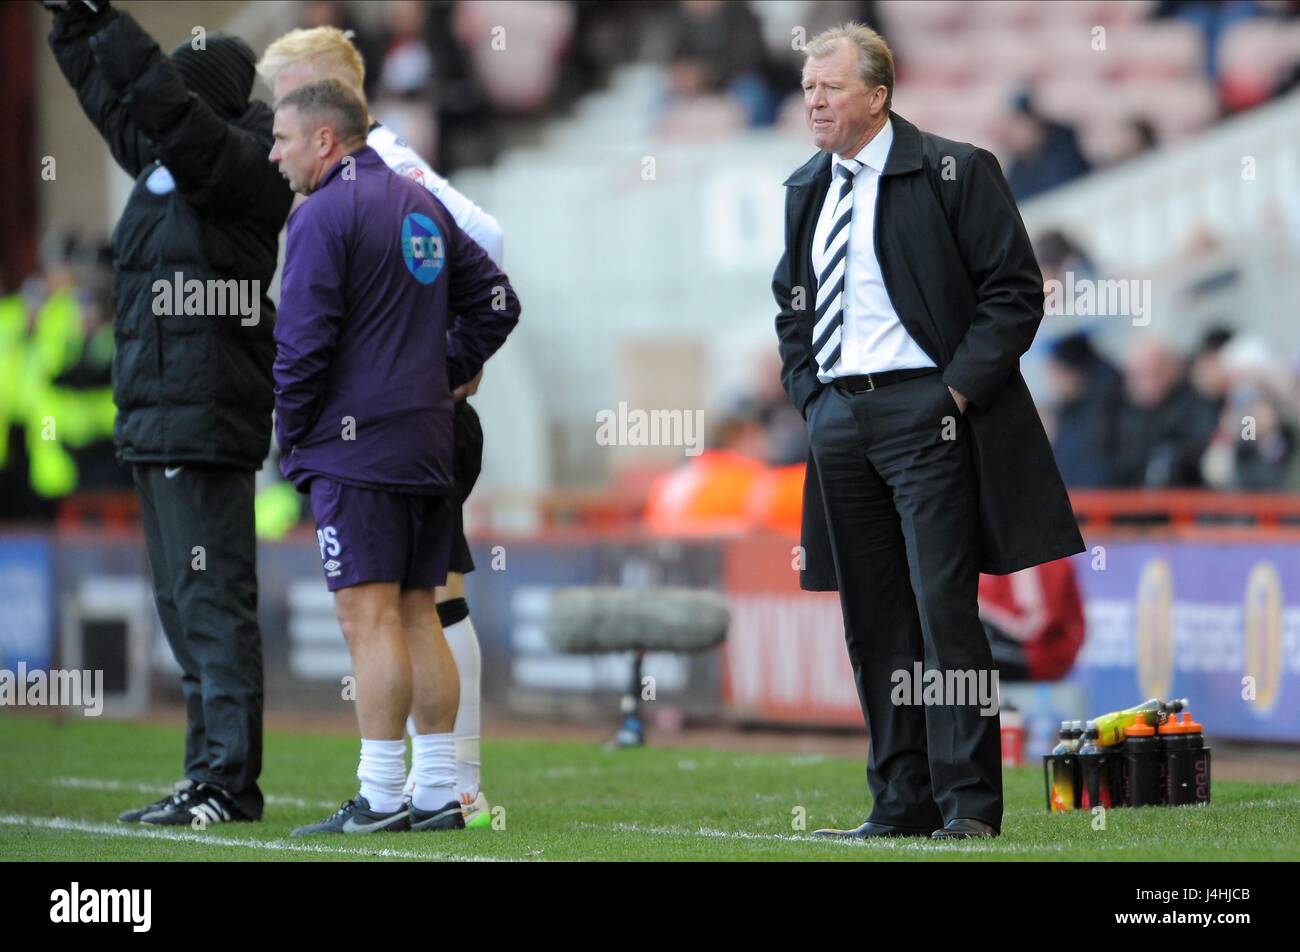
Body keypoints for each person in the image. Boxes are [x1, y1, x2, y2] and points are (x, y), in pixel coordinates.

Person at [774, 23, 1084, 840]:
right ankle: (899, 802)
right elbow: (793, 306)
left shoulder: (956, 170)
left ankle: (970, 806)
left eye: (829, 87)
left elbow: (1014, 292)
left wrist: (951, 396)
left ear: (876, 96)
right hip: (840, 418)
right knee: (874, 619)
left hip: (927, 416)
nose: (813, 99)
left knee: (943, 611)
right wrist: (811, 396)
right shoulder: (806, 186)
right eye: (808, 86)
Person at [44, 0, 293, 826]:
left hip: (204, 416)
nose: (162, 115)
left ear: (204, 102)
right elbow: (114, 101)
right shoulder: (173, 161)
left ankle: (229, 782)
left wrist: (105, 16)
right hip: (156, 419)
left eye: (180, 100)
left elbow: (160, 104)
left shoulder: (242, 166)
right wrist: (74, 30)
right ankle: (205, 775)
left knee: (212, 604)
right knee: (184, 607)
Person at [257, 25, 500, 827]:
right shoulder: (416, 198)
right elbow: (498, 298)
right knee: (417, 609)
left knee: (367, 617)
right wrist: (445, 371)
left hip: (355, 452)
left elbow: (300, 346)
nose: (273, 155)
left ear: (324, 138)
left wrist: (292, 438)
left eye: (282, 139)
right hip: (427, 440)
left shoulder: (323, 216)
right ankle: (437, 794)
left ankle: (380, 794)